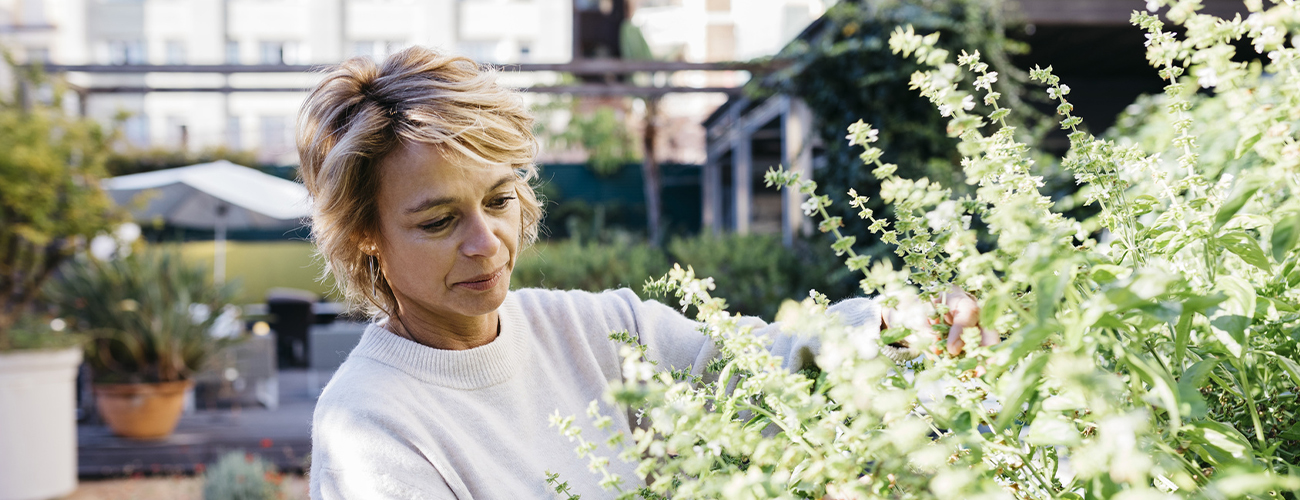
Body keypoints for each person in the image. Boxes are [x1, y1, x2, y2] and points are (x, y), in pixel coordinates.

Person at [298, 46, 994, 499]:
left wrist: (884, 325)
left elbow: (750, 367)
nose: (488, 243)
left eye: (498, 199)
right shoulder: (371, 426)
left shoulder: (598, 329)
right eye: (439, 221)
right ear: (366, 237)